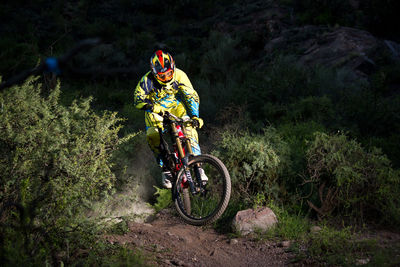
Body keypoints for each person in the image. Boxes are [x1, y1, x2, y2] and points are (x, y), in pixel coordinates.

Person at [134, 50, 207, 188]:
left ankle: (198, 166)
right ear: (155, 73)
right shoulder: (147, 80)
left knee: (189, 128)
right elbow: (137, 99)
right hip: (156, 110)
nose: (167, 77)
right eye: (162, 75)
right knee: (153, 135)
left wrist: (195, 116)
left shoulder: (180, 75)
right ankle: (166, 169)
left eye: (169, 73)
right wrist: (152, 107)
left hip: (175, 107)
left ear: (173, 67)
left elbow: (191, 96)